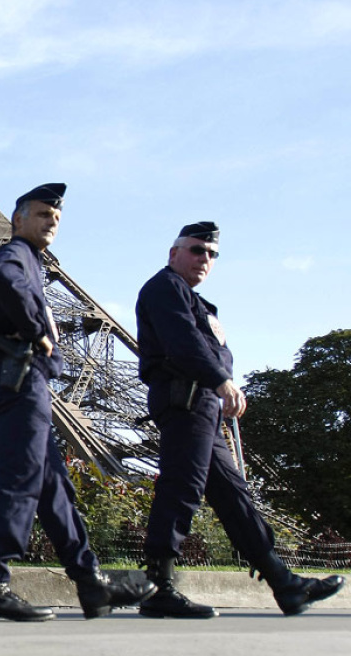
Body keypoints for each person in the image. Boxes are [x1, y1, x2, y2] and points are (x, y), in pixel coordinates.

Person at [0, 183, 154, 621]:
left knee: (53, 487)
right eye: (43, 214)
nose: (51, 222)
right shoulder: (15, 256)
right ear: (18, 218)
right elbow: (9, 287)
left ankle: (90, 582)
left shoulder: (26, 260)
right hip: (20, 376)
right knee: (21, 477)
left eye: (57, 218)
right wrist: (39, 333)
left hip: (14, 377)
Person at [135, 222, 345, 618]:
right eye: (197, 250)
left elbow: (205, 347)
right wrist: (221, 381)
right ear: (173, 252)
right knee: (182, 488)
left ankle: (284, 583)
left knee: (234, 496)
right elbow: (184, 343)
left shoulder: (195, 300)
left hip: (203, 407)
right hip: (186, 401)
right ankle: (158, 587)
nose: (205, 259)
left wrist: (221, 384)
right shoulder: (164, 288)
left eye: (212, 254)